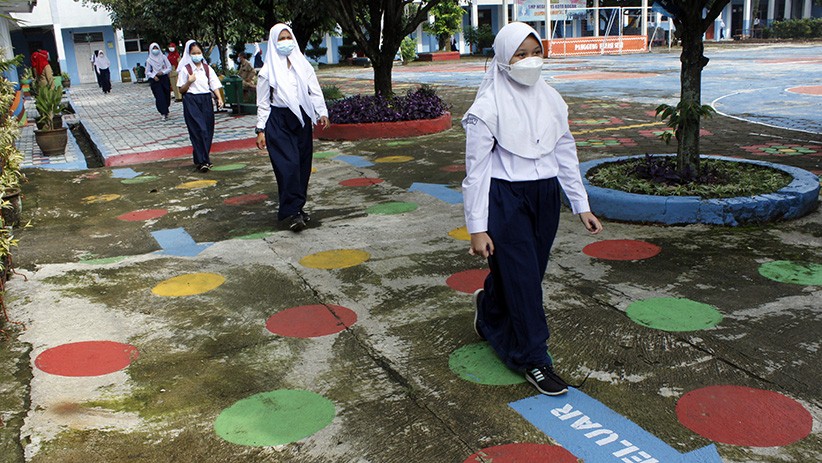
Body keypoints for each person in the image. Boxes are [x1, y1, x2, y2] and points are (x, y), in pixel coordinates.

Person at [462, 22, 603, 396]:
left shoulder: (552, 99)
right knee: (524, 280)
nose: (529, 61)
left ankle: (490, 307)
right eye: (519, 55)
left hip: (545, 197)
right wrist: (477, 228)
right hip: (504, 198)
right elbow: (475, 173)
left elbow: (565, 150)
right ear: (503, 61)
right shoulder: (486, 108)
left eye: (535, 52)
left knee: (528, 274)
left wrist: (581, 204)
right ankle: (533, 358)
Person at [255, 24, 330, 232]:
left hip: (302, 119)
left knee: (302, 166)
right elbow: (262, 102)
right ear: (273, 42)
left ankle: (297, 207)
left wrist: (321, 112)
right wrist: (260, 130)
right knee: (287, 166)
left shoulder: (303, 65)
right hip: (278, 121)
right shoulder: (267, 72)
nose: (286, 42)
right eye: (281, 38)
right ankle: (292, 212)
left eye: (288, 37)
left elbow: (314, 90)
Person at [177, 40, 224, 172]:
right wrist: (189, 82)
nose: (196, 55)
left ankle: (200, 158)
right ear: (189, 54)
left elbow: (214, 84)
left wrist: (219, 98)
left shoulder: (207, 69)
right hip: (191, 100)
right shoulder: (186, 69)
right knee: (199, 130)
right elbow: (181, 90)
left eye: (198, 52)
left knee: (208, 131)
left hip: (206, 100)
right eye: (193, 53)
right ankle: (204, 161)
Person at [146, 43, 173, 120]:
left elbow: (169, 67)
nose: (155, 50)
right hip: (155, 80)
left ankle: (166, 108)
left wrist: (163, 72)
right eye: (153, 49)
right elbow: (147, 72)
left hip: (164, 78)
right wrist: (153, 76)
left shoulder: (163, 57)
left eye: (156, 48)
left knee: (166, 94)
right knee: (159, 96)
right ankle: (163, 112)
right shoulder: (149, 60)